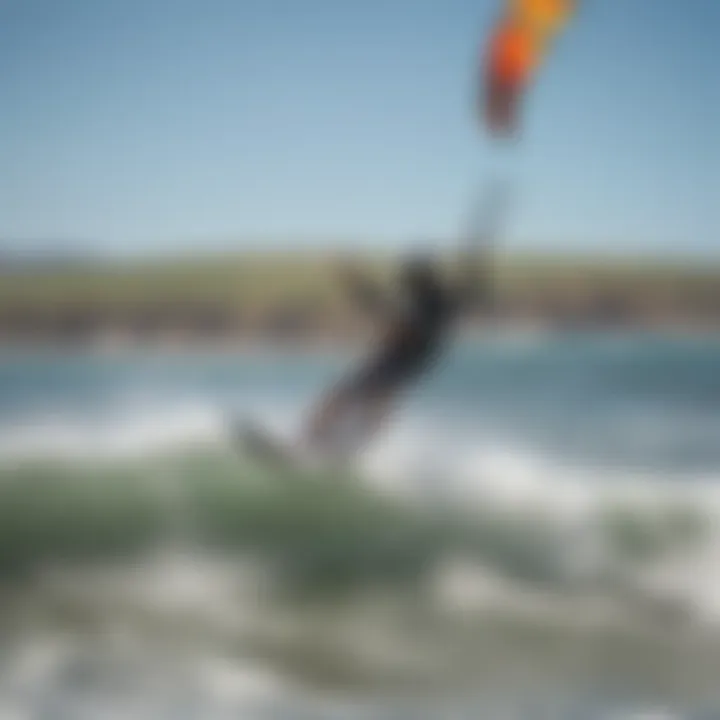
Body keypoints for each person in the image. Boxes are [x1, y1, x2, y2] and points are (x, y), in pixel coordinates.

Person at [298, 245, 495, 459]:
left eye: (410, 280)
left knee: (359, 399)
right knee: (352, 398)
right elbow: (383, 306)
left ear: (421, 279)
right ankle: (316, 443)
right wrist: (356, 281)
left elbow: (391, 313)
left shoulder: (436, 303)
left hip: (402, 361)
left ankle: (333, 448)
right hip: (400, 359)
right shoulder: (431, 300)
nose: (407, 285)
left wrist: (355, 280)